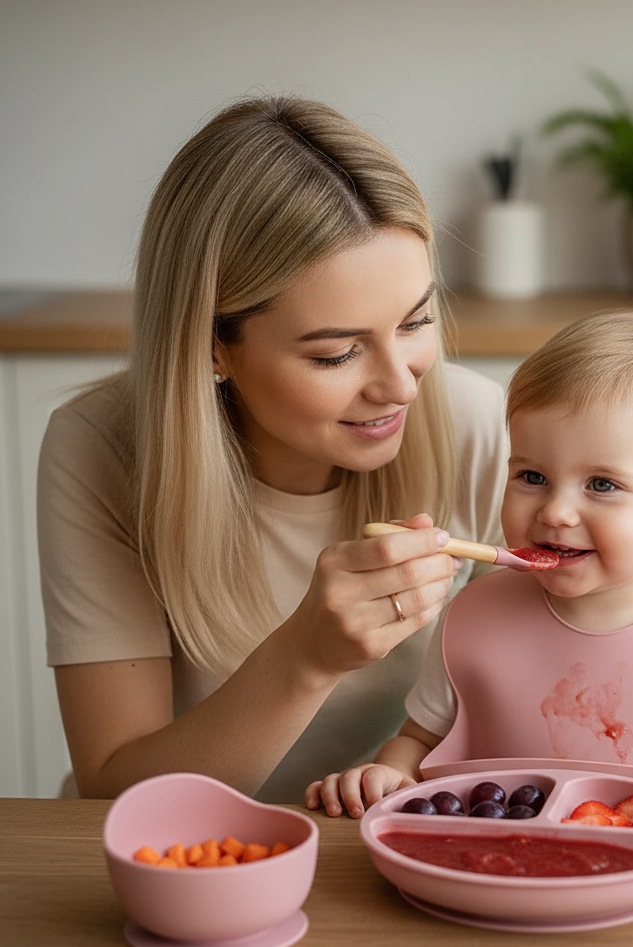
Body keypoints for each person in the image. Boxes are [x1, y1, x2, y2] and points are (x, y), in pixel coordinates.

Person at [37, 96, 509, 802]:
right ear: (213, 347)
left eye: (415, 322)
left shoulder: (476, 424)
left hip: (376, 843)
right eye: (337, 354)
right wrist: (304, 659)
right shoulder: (100, 449)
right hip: (183, 848)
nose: (400, 386)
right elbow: (113, 790)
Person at [308, 309, 633, 827]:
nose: (556, 512)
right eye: (532, 477)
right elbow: (420, 740)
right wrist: (390, 774)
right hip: (507, 869)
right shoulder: (470, 615)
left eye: (601, 484)